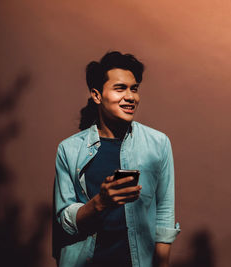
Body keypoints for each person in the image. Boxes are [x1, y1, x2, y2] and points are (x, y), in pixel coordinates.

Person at [53, 51, 180, 267]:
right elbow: (64, 221)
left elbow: (164, 216)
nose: (131, 97)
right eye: (120, 88)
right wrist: (100, 203)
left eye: (134, 89)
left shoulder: (158, 144)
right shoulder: (69, 149)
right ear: (97, 95)